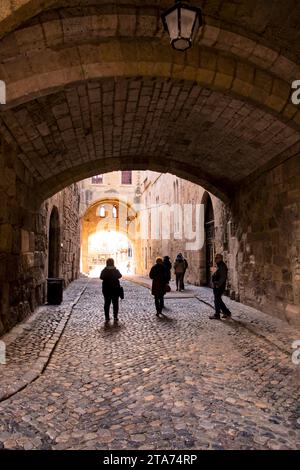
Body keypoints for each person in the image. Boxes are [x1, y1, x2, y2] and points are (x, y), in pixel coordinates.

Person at [209, 253, 231, 320]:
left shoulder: (222, 266)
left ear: (220, 259)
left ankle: (218, 314)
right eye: (215, 257)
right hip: (216, 286)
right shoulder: (219, 265)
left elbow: (223, 277)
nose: (215, 259)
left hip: (219, 286)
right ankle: (226, 313)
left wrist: (218, 284)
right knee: (218, 300)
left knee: (217, 300)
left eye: (217, 258)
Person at [100, 258, 122, 323]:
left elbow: (101, 277)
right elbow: (120, 276)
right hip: (115, 290)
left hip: (106, 290)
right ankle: (115, 316)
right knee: (115, 303)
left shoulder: (104, 271)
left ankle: (107, 317)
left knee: (107, 303)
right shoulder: (116, 270)